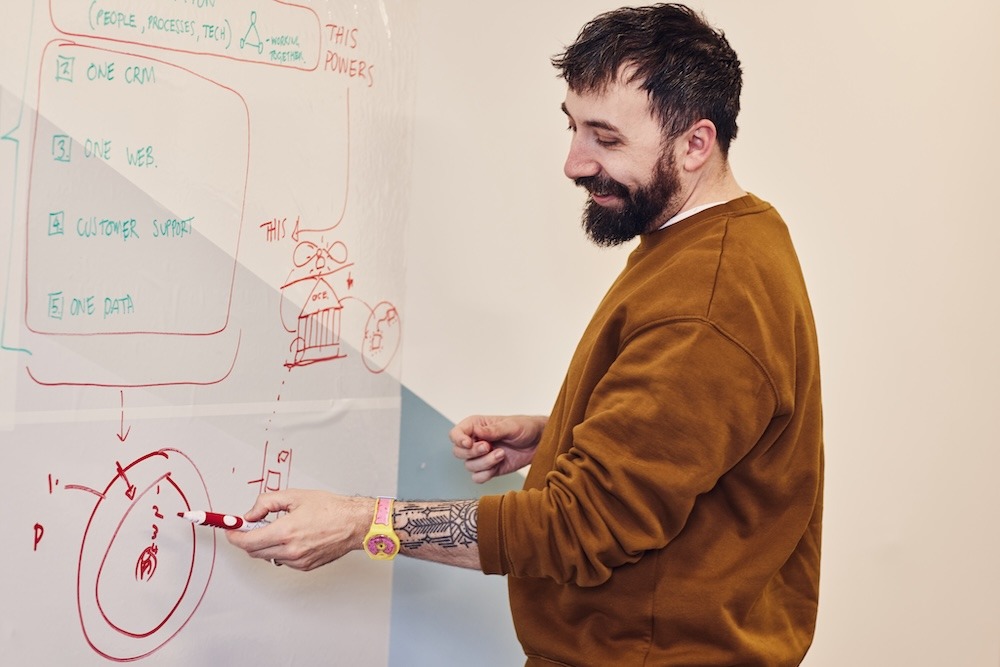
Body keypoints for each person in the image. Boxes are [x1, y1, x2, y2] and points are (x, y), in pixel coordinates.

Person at [227, 4, 824, 665]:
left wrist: (360, 523)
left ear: (695, 143)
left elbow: (579, 525)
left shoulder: (707, 300)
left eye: (607, 138)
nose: (574, 162)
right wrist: (559, 434)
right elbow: (699, 430)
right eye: (573, 128)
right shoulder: (731, 237)